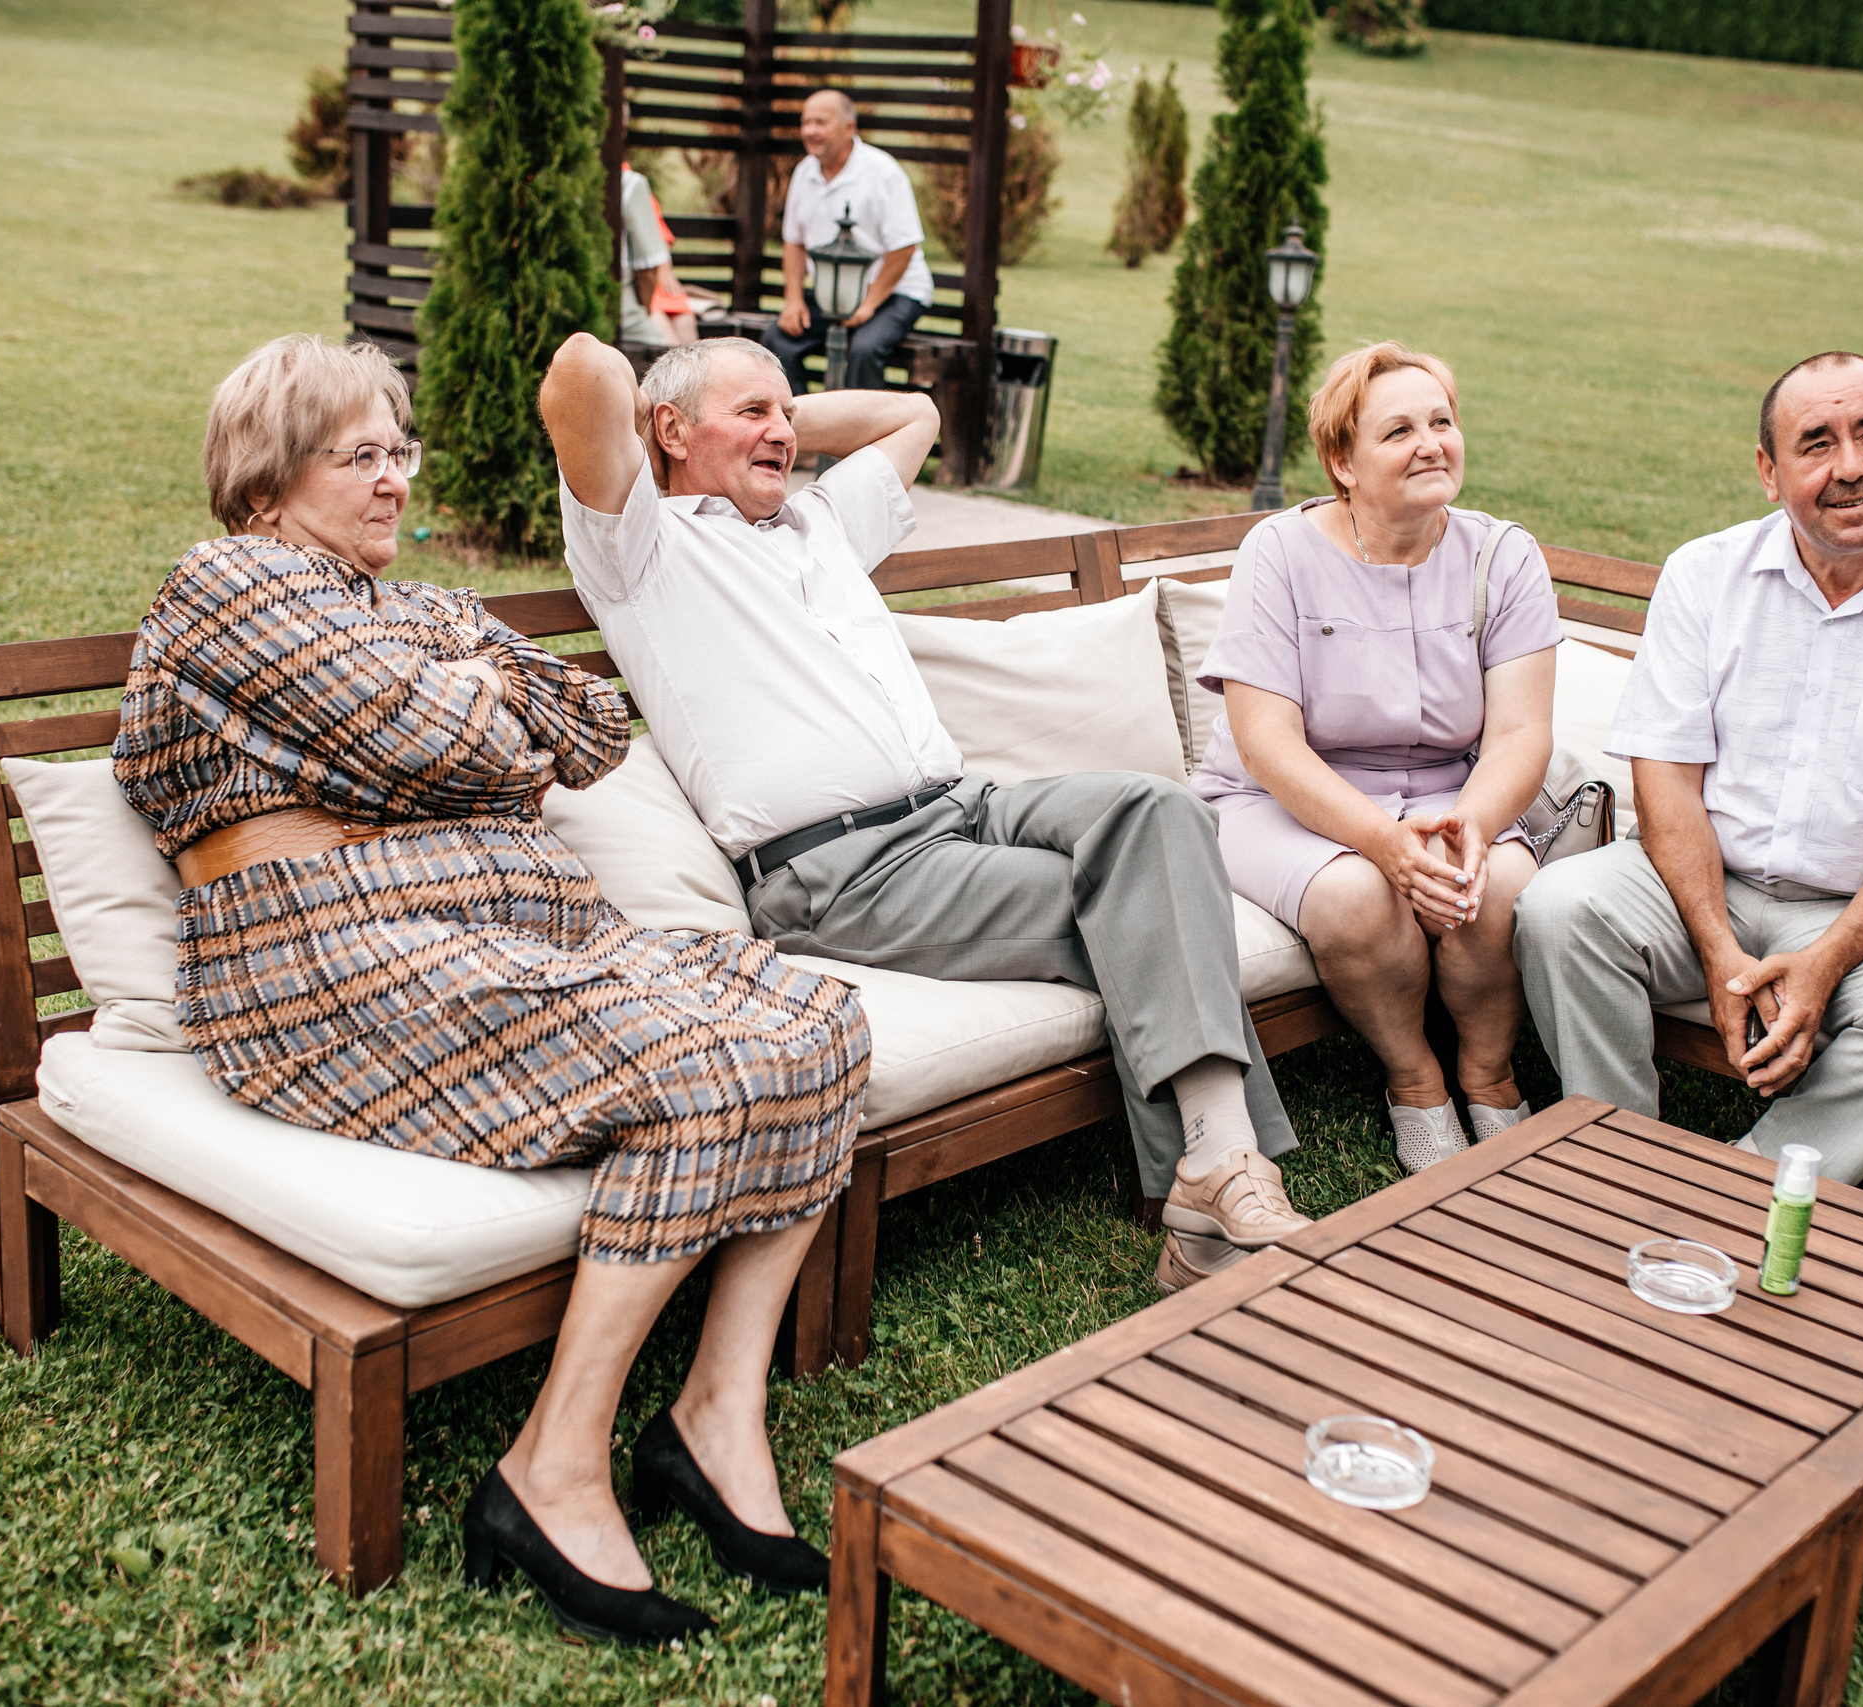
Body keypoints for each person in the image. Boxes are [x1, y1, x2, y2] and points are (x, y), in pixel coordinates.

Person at [113, 335, 869, 1649]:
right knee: (696, 1068)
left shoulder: (420, 609)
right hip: (326, 964)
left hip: (517, 934)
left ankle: (713, 1415)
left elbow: (592, 731)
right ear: (267, 476)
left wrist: (473, 696)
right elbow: (432, 737)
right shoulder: (226, 582)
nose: (398, 481)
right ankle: (551, 1467)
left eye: (400, 452)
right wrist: (470, 716)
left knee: (822, 1023)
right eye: (362, 456)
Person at [540, 331, 1312, 1289]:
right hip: (845, 872)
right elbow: (581, 371)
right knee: (1146, 902)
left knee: (1162, 815)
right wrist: (686, 428)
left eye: (790, 414)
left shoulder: (822, 524)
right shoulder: (640, 549)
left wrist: (764, 427)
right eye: (755, 414)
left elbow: (920, 414)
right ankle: (1221, 1172)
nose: (784, 431)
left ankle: (1207, 1181)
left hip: (966, 807)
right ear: (668, 428)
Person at [1513, 351, 1863, 1185]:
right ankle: (1619, 1159)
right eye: (1816, 442)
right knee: (1557, 908)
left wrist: (1826, 960)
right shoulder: (1705, 574)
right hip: (1700, 884)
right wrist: (1721, 951)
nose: (1852, 467)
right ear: (1769, 471)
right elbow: (1667, 781)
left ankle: (1749, 1178)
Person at [1196, 341, 1559, 1178]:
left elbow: (1519, 736)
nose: (1431, 442)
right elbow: (1268, 742)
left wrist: (1470, 823)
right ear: (1342, 462)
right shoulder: (1278, 553)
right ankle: (1415, 1078)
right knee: (1360, 894)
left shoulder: (1504, 557)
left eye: (1442, 421)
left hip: (1451, 788)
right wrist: (1383, 842)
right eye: (1399, 430)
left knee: (1496, 881)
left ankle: (1489, 1072)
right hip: (1278, 799)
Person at [760, 89, 932, 392]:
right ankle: (802, 433)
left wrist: (869, 305)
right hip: (833, 296)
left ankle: (864, 437)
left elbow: (904, 248)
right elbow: (794, 242)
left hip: (895, 293)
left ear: (849, 127)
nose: (810, 131)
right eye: (806, 122)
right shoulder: (804, 172)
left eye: (820, 122)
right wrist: (793, 299)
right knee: (777, 342)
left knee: (864, 350)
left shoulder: (883, 172)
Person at [616, 163, 696, 349]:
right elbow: (647, 271)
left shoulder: (634, 184)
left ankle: (694, 373)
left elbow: (662, 240)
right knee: (666, 332)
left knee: (685, 320)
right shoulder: (629, 183)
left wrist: (665, 268)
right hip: (641, 292)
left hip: (656, 284)